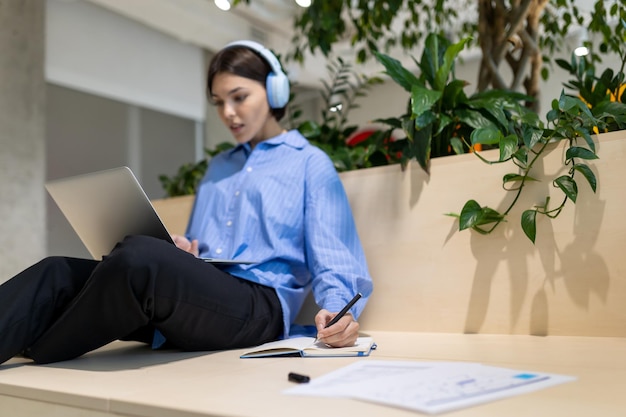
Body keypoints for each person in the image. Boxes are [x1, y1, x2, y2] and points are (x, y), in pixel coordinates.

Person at [0, 40, 373, 366]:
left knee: (138, 258)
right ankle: (32, 340)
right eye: (218, 102)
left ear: (275, 91)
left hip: (259, 309)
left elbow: (335, 258)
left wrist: (340, 310)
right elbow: (200, 248)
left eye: (239, 97)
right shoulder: (218, 168)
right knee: (56, 271)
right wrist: (185, 251)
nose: (228, 112)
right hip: (200, 299)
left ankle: (40, 346)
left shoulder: (310, 163)